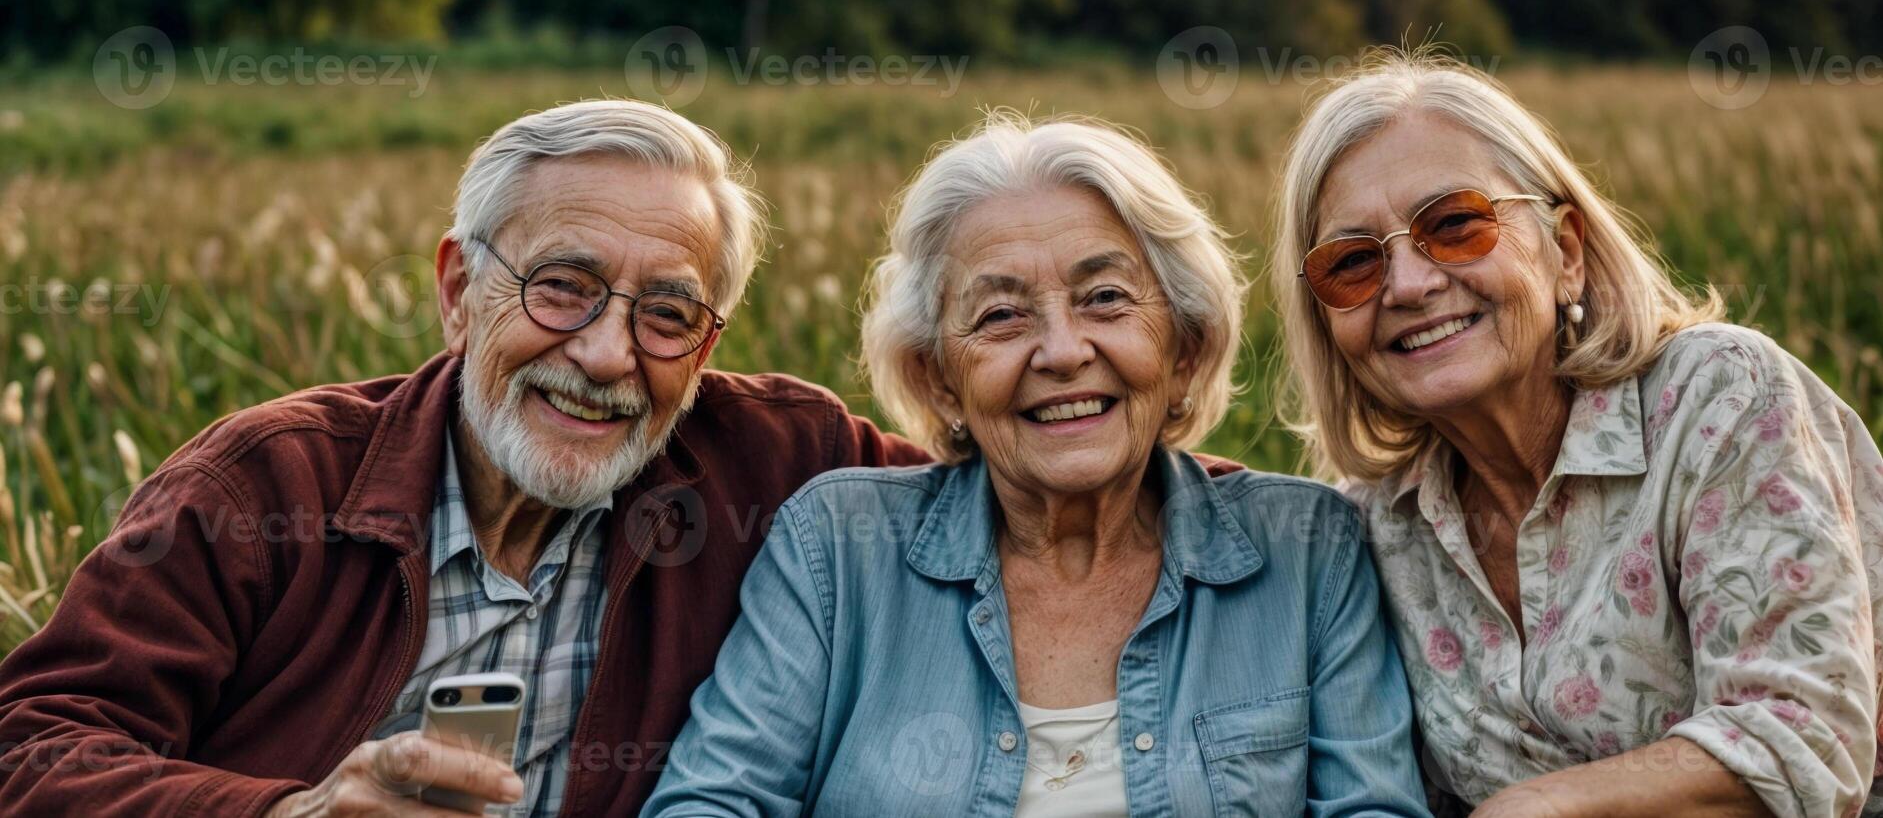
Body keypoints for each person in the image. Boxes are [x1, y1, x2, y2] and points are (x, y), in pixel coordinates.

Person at [0, 100, 931, 816]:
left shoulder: (774, 460)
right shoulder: (266, 485)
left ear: (706, 347)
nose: (608, 355)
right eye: (561, 288)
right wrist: (289, 809)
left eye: (668, 315)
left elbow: (999, 506)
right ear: (458, 291)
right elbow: (31, 746)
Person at [642, 114, 1431, 817]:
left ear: (1184, 350)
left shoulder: (1308, 551)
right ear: (937, 378)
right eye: (1000, 316)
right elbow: (713, 797)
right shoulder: (836, 547)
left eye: (1106, 299)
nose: (1060, 352)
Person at [1270, 52, 1883, 818]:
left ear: (1565, 252)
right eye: (1352, 263)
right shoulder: (1372, 527)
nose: (1408, 286)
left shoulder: (1716, 397)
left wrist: (1536, 809)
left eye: (1454, 224)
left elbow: (1802, 743)